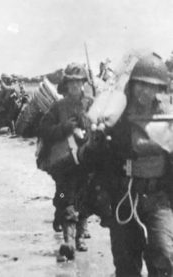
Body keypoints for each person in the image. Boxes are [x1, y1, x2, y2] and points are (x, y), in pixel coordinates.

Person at [78, 53, 173, 276]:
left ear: (160, 89)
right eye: (141, 85)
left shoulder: (167, 117)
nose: (146, 92)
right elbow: (87, 159)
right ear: (132, 84)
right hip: (124, 196)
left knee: (165, 255)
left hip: (159, 198)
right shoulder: (116, 117)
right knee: (126, 264)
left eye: (153, 87)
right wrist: (95, 142)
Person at [38, 63, 93, 261]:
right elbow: (44, 130)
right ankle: (68, 240)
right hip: (64, 164)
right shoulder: (58, 107)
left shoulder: (91, 104)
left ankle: (80, 236)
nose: (75, 86)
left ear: (84, 84)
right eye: (71, 82)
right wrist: (64, 128)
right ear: (66, 84)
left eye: (78, 82)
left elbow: (102, 127)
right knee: (64, 197)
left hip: (87, 161)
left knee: (85, 199)